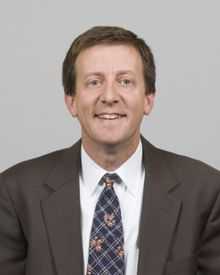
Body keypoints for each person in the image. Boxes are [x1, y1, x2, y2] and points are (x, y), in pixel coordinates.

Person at [0, 26, 220, 275]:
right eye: (94, 82)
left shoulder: (207, 193)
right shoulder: (14, 193)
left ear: (149, 98)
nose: (109, 96)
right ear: (71, 101)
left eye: (125, 81)